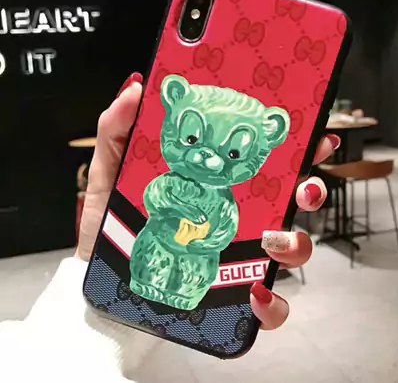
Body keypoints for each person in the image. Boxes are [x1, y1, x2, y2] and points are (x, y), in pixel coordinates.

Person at [0, 73, 340, 382]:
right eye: (192, 137)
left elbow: (225, 230)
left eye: (234, 151)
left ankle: (183, 295)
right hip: (154, 250)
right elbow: (154, 198)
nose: (206, 157)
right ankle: (150, 284)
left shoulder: (223, 201)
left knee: (195, 273)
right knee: (151, 258)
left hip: (195, 264)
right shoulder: (169, 182)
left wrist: (206, 238)